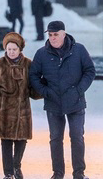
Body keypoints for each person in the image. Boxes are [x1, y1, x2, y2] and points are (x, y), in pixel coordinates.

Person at [29, 21, 96, 179]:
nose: (52, 38)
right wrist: (45, 91)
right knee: (55, 138)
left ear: (64, 34)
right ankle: (58, 173)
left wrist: (79, 90)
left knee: (77, 137)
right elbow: (33, 76)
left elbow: (90, 70)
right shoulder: (42, 54)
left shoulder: (78, 50)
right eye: (50, 35)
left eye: (56, 34)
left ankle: (79, 173)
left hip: (75, 102)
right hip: (53, 103)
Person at [0, 33, 39, 179]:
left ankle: (16, 166)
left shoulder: (28, 64)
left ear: (20, 49)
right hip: (3, 110)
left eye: (14, 49)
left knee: (21, 140)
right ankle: (8, 173)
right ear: (5, 49)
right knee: (6, 142)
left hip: (22, 110)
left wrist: (44, 87)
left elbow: (33, 89)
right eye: (9, 49)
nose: (12, 52)